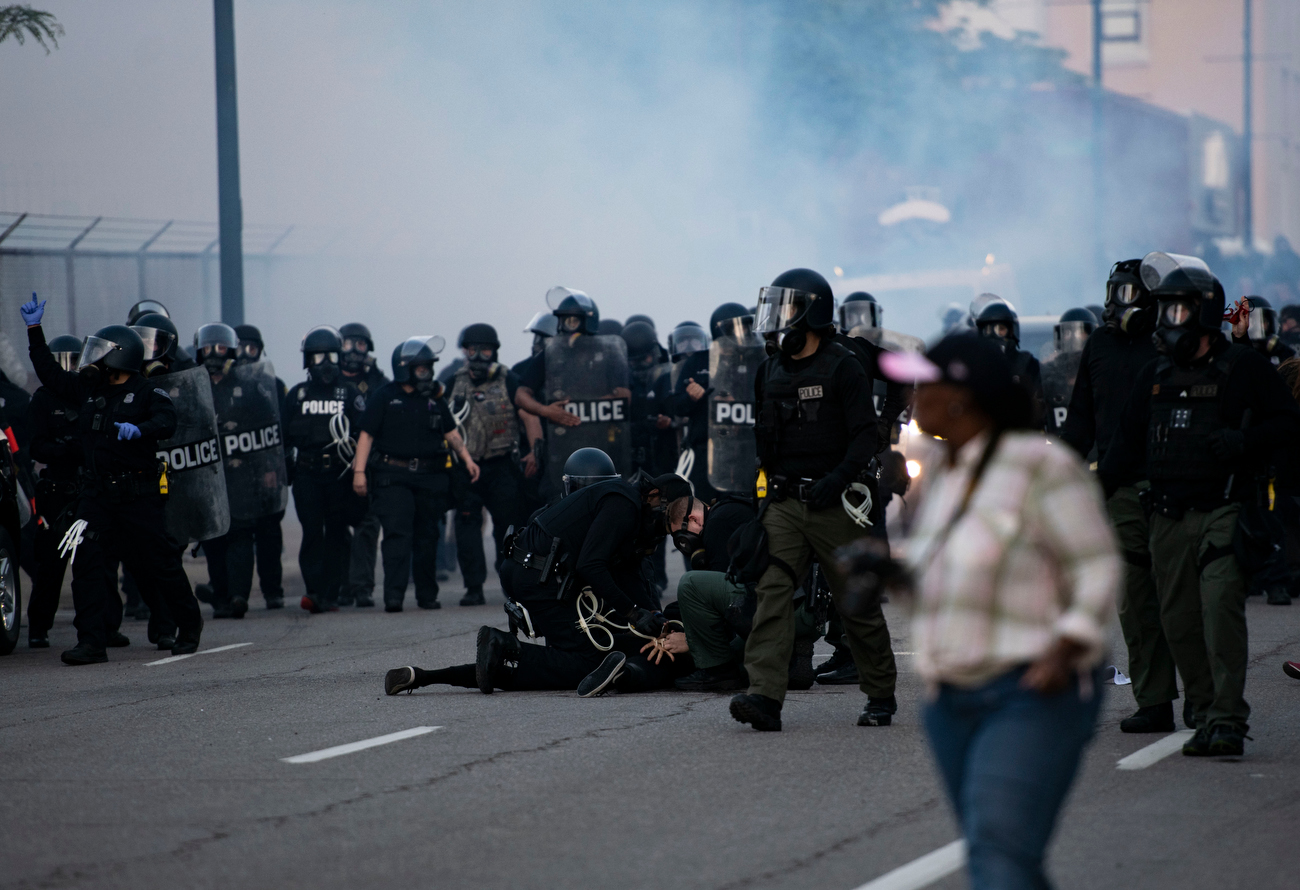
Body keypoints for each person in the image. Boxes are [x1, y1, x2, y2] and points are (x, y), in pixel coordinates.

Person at [874, 331, 1117, 890]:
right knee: (1006, 855)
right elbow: (946, 582)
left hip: (1030, 690)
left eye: (924, 385)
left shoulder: (1037, 466)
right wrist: (892, 573)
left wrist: (1069, 643)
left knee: (999, 853)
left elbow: (1097, 564)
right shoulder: (945, 473)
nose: (912, 398)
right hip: (952, 698)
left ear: (960, 396)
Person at [1101, 252, 1300, 757]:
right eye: (1165, 309)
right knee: (1179, 622)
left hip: (1223, 511)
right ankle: (1206, 709)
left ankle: (1227, 720)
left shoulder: (1246, 368)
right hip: (1166, 516)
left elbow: (1287, 424)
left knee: (1218, 614)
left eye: (1181, 310)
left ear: (1206, 313)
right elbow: (1124, 446)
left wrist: (1242, 443)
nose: (1171, 320)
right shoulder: (1155, 374)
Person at [729, 267, 894, 732]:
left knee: (854, 600)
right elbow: (764, 444)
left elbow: (865, 438)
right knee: (772, 592)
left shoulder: (844, 365)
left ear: (813, 313)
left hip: (837, 502)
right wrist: (766, 500)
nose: (779, 320)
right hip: (785, 502)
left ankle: (880, 693)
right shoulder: (769, 370)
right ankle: (764, 695)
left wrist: (838, 478)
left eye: (789, 309)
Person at [382, 470, 687, 696]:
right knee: (587, 662)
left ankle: (423, 676)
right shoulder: (624, 504)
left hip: (538, 575)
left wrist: (656, 621)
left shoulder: (628, 514)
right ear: (655, 496)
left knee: (575, 657)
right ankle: (501, 647)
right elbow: (591, 565)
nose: (675, 526)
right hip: (538, 579)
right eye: (675, 514)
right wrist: (633, 614)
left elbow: (630, 576)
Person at [20, 296, 204, 663]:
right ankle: (92, 641)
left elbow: (167, 421)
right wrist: (34, 331)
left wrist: (141, 429)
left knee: (162, 564)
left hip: (139, 495)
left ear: (121, 355)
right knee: (86, 562)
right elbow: (50, 375)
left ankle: (188, 625)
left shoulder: (150, 391)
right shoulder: (90, 391)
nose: (94, 358)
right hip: (96, 497)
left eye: (101, 352)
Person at [1061, 260, 1180, 733]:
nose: (1117, 305)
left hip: (1176, 486)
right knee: (1136, 601)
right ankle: (1154, 702)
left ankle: (1211, 703)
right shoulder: (1100, 345)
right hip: (1119, 489)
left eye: (1129, 296)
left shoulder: (1173, 345)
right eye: (1113, 293)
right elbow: (1079, 422)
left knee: (1185, 603)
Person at [352, 336, 480, 611]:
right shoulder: (385, 396)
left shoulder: (434, 397)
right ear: (404, 368)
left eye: (428, 368)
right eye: (421, 368)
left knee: (428, 536)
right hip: (393, 477)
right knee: (397, 536)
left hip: (430, 478)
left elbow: (451, 432)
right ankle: (394, 596)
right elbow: (366, 435)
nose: (427, 373)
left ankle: (427, 594)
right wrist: (359, 471)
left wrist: (467, 459)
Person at [447, 323, 539, 605]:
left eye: (484, 349)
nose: (478, 355)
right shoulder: (453, 382)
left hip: (503, 466)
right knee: (467, 528)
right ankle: (473, 587)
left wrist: (535, 451)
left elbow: (529, 416)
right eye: (472, 349)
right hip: (467, 467)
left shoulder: (509, 379)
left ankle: (511, 587)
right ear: (464, 350)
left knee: (508, 531)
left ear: (494, 351)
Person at [283, 325, 365, 613]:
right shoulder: (297, 395)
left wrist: (360, 471)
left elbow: (364, 434)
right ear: (308, 361)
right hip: (306, 475)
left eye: (331, 356)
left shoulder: (349, 393)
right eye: (318, 358)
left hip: (339, 476)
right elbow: (283, 439)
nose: (326, 364)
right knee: (311, 532)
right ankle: (314, 591)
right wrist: (285, 471)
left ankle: (332, 591)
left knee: (336, 533)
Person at [233, 324, 286, 608]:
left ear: (260, 351)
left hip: (264, 471)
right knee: (238, 532)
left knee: (268, 533)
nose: (244, 354)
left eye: (251, 349)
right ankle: (236, 593)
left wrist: (273, 469)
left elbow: (279, 433)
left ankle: (273, 591)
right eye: (239, 347)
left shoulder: (272, 385)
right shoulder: (221, 385)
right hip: (235, 473)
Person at [337, 322, 388, 608]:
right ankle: (342, 585)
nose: (354, 350)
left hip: (370, 465)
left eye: (360, 344)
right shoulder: (327, 379)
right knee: (336, 528)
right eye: (347, 343)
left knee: (368, 527)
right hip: (335, 468)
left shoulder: (379, 383)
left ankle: (362, 587)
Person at [665, 321, 714, 504]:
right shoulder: (694, 363)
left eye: (694, 341)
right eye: (683, 342)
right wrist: (691, 398)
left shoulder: (746, 362)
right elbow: (678, 407)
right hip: (701, 448)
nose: (688, 347)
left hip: (738, 446)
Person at [975, 300, 1045, 427]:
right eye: (988, 330)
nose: (993, 335)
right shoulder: (973, 367)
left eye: (1000, 329)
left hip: (1022, 435)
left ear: (1012, 331)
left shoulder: (1028, 365)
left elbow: (1041, 406)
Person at [1040, 307, 1096, 437]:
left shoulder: (1100, 373)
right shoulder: (1048, 377)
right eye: (1067, 332)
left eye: (1080, 332)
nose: (1073, 338)